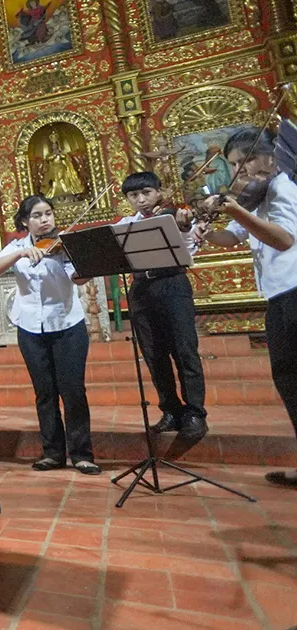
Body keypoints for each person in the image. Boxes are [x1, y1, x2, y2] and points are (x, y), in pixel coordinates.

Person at [196, 128, 297, 486]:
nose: (242, 171)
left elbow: (284, 239)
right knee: (288, 379)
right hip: (277, 295)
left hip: (294, 290)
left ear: (272, 155)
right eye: (235, 165)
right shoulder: (259, 195)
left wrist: (235, 209)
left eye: (248, 160)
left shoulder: (285, 186)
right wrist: (206, 233)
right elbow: (233, 237)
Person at [0, 196, 100, 475]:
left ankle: (82, 454)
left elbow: (78, 278)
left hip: (67, 324)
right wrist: (21, 254)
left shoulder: (63, 247)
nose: (45, 219)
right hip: (30, 326)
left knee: (72, 390)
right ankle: (52, 453)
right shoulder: (17, 247)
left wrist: (83, 262)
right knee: (44, 392)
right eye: (37, 215)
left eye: (48, 213)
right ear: (25, 221)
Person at [116, 171, 208, 441]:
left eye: (146, 193)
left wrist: (182, 227)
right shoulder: (126, 224)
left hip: (172, 284)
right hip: (141, 289)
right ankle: (171, 410)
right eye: (134, 195)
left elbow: (190, 249)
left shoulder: (173, 217)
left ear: (159, 192)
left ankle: (195, 413)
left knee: (184, 350)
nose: (141, 200)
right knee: (154, 355)